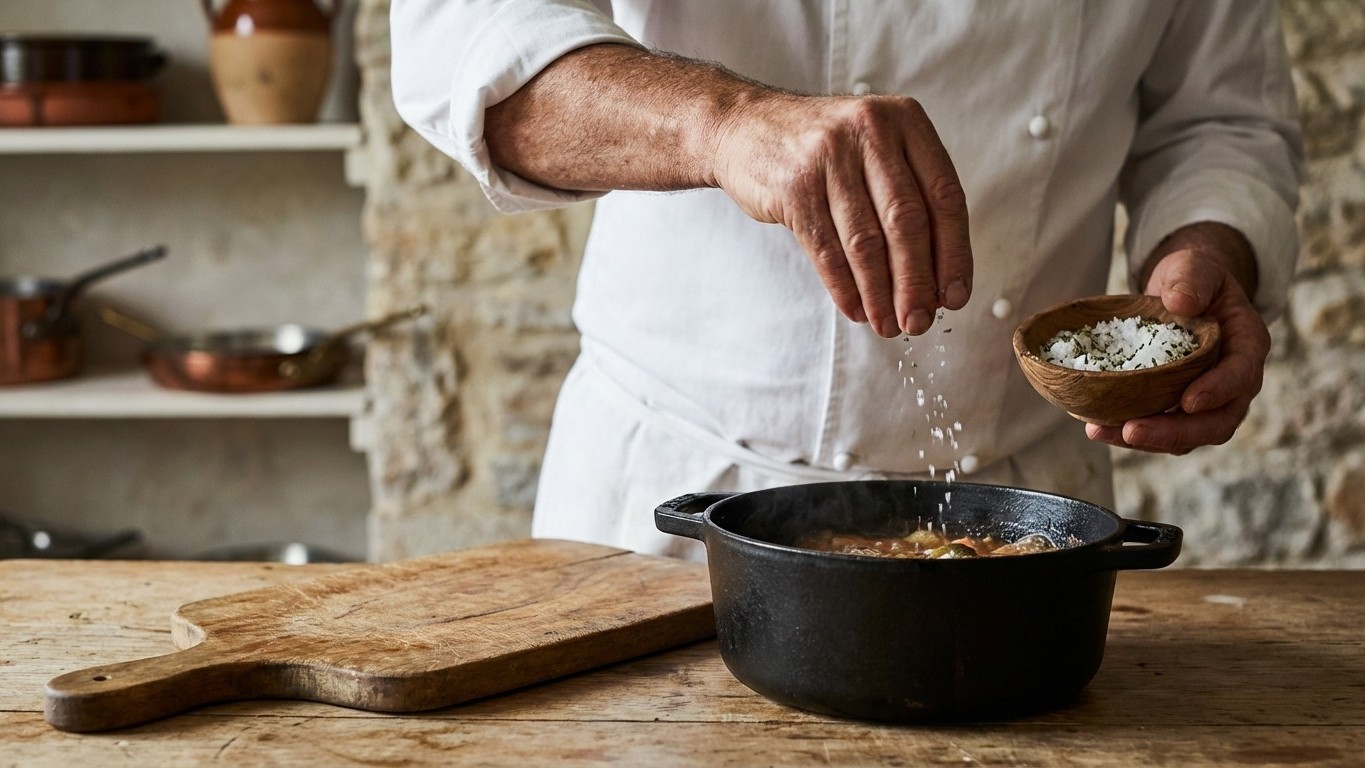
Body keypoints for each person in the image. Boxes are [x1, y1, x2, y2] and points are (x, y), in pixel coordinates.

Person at [390, 1, 1303, 559]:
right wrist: (721, 123)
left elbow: (1219, 122)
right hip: (673, 497)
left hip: (1023, 511)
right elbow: (466, 38)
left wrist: (1205, 256)